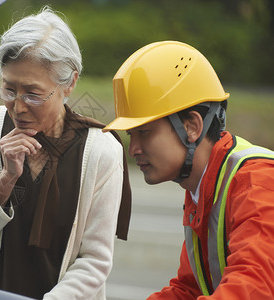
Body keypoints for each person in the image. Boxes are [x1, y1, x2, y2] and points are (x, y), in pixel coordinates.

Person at [0, 7, 132, 300]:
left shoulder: (102, 151)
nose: (19, 107)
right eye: (8, 90)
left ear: (70, 83)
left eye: (33, 94)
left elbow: (95, 261)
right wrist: (4, 182)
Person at [104, 40, 274, 299]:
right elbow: (189, 289)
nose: (133, 149)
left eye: (144, 133)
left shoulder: (256, 183)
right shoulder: (203, 186)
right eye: (130, 135)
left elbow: (251, 289)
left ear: (192, 126)